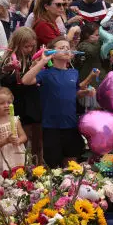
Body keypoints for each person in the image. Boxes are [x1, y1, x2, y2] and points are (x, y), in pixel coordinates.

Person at [21, 38, 90, 167]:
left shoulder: (74, 73)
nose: (66, 50)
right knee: (52, 165)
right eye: (61, 47)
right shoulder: (45, 73)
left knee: (71, 165)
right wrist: (43, 61)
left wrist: (84, 93)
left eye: (68, 47)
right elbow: (25, 80)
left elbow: (73, 93)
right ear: (52, 52)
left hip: (71, 125)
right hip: (51, 127)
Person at [0, 27, 43, 163]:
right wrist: (10, 69)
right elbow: (6, 81)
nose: (29, 49)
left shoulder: (34, 58)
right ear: (17, 44)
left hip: (33, 102)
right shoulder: (9, 60)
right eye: (26, 46)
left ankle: (39, 166)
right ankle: (22, 166)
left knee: (37, 141)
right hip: (18, 103)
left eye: (32, 46)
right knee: (22, 138)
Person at [0, 86, 27, 183]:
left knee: (18, 179)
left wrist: (19, 140)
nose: (6, 105)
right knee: (1, 181)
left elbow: (23, 136)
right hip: (0, 157)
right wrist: (6, 141)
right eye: (2, 103)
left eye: (9, 102)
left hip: (16, 154)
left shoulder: (15, 120)